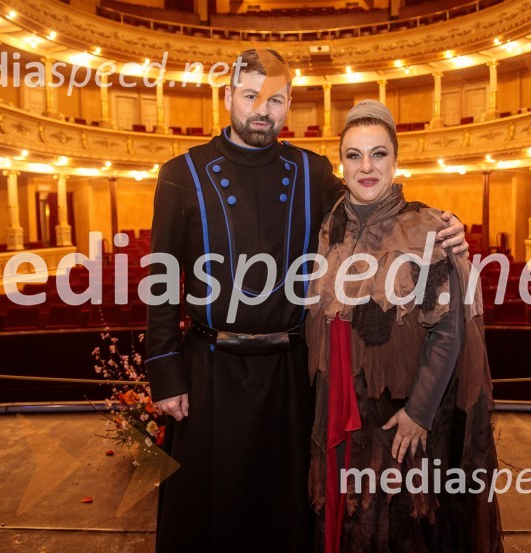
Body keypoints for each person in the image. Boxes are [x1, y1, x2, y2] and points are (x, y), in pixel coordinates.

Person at [145, 50, 468, 552]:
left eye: (274, 100)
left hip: (290, 374)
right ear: (228, 97)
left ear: (288, 105)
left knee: (286, 516)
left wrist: (441, 226)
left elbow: (374, 205)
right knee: (207, 517)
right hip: (210, 371)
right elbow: (162, 278)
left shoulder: (311, 171)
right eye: (250, 96)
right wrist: (165, 372)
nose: (261, 110)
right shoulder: (180, 173)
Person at [305, 100, 504, 553]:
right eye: (354, 155)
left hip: (401, 409)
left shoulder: (427, 228)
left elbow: (448, 332)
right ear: (342, 164)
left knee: (400, 521)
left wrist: (419, 413)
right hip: (338, 403)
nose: (367, 166)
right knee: (348, 519)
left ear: (396, 161)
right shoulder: (328, 226)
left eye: (378, 154)